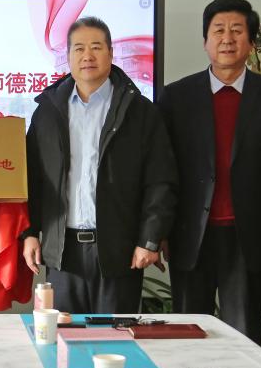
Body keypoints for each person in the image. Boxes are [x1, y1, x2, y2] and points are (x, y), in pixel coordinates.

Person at [22, 16, 178, 313]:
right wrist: (29, 232)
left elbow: (160, 181)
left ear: (111, 53)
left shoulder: (139, 111)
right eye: (79, 48)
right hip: (63, 252)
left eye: (96, 47)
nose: (87, 56)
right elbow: (32, 177)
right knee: (64, 335)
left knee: (115, 334)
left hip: (120, 251)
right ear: (68, 56)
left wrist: (149, 239)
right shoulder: (48, 112)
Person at [158, 0, 261, 344]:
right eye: (218, 30)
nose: (227, 39)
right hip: (190, 235)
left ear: (251, 41)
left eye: (237, 31)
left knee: (245, 335)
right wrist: (159, 231)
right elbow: (163, 171)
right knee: (188, 334)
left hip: (248, 236)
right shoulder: (176, 97)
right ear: (205, 40)